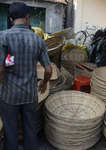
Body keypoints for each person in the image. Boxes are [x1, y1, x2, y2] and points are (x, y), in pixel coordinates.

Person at [0, 2, 52, 150]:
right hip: (30, 95)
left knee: (10, 131)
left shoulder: (3, 37)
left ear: (10, 19)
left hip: (9, 96)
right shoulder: (38, 40)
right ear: (27, 17)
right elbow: (48, 70)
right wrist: (45, 82)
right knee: (30, 130)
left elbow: (1, 70)